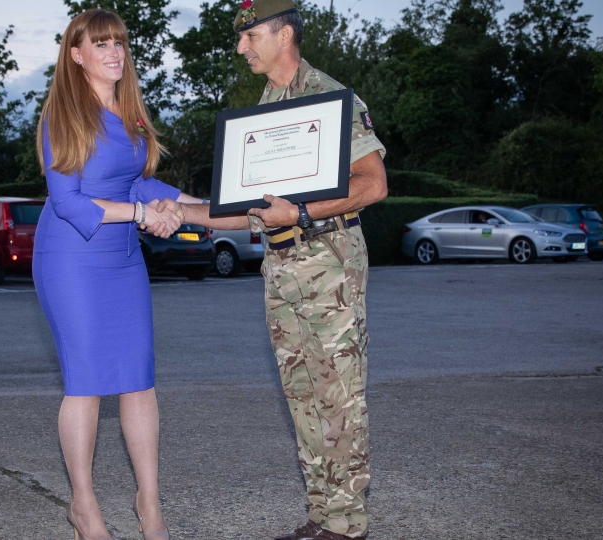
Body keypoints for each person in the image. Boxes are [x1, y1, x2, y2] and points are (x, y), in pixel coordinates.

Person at [157, 1, 387, 538]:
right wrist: (182, 213)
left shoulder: (330, 99)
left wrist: (300, 213)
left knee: (340, 397)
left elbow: (373, 184)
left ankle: (349, 525)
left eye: (250, 35)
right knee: (303, 397)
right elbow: (247, 208)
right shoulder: (267, 106)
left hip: (328, 267)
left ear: (285, 34)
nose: (241, 48)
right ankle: (320, 516)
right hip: (281, 268)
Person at [32, 9, 203, 540]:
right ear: (76, 55)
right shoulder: (62, 115)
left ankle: (149, 504)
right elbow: (67, 200)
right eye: (99, 44)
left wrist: (197, 205)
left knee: (138, 381)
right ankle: (84, 505)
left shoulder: (130, 114)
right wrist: (143, 214)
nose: (113, 52)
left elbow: (138, 184)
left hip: (123, 260)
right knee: (86, 384)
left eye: (119, 43)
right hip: (71, 260)